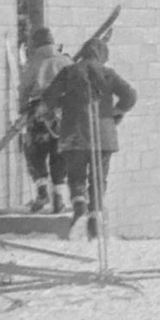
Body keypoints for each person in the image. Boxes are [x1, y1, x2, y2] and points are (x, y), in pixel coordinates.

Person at [40, 38, 136, 240]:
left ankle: (79, 207)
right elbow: (130, 96)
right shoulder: (108, 74)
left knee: (76, 176)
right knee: (99, 177)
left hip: (74, 133)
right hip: (103, 136)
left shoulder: (68, 72)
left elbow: (47, 100)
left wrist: (54, 115)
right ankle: (95, 215)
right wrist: (115, 112)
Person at [18, 27, 72, 213]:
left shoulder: (33, 63)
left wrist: (22, 109)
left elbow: (24, 88)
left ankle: (42, 191)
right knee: (59, 154)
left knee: (35, 152)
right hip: (63, 114)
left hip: (38, 113)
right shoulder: (66, 60)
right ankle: (58, 196)